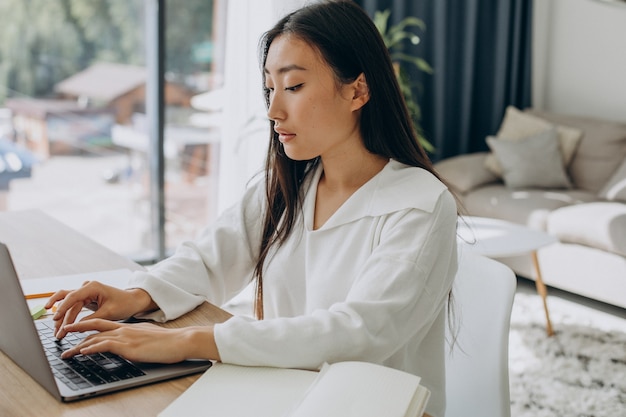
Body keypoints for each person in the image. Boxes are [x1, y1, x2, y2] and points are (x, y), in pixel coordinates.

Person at [45, 1, 458, 416]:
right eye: (269, 89)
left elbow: (358, 333)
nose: (274, 111)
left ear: (357, 91)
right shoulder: (291, 185)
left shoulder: (419, 205)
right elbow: (210, 261)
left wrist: (190, 341)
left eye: (293, 87)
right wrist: (138, 294)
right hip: (286, 391)